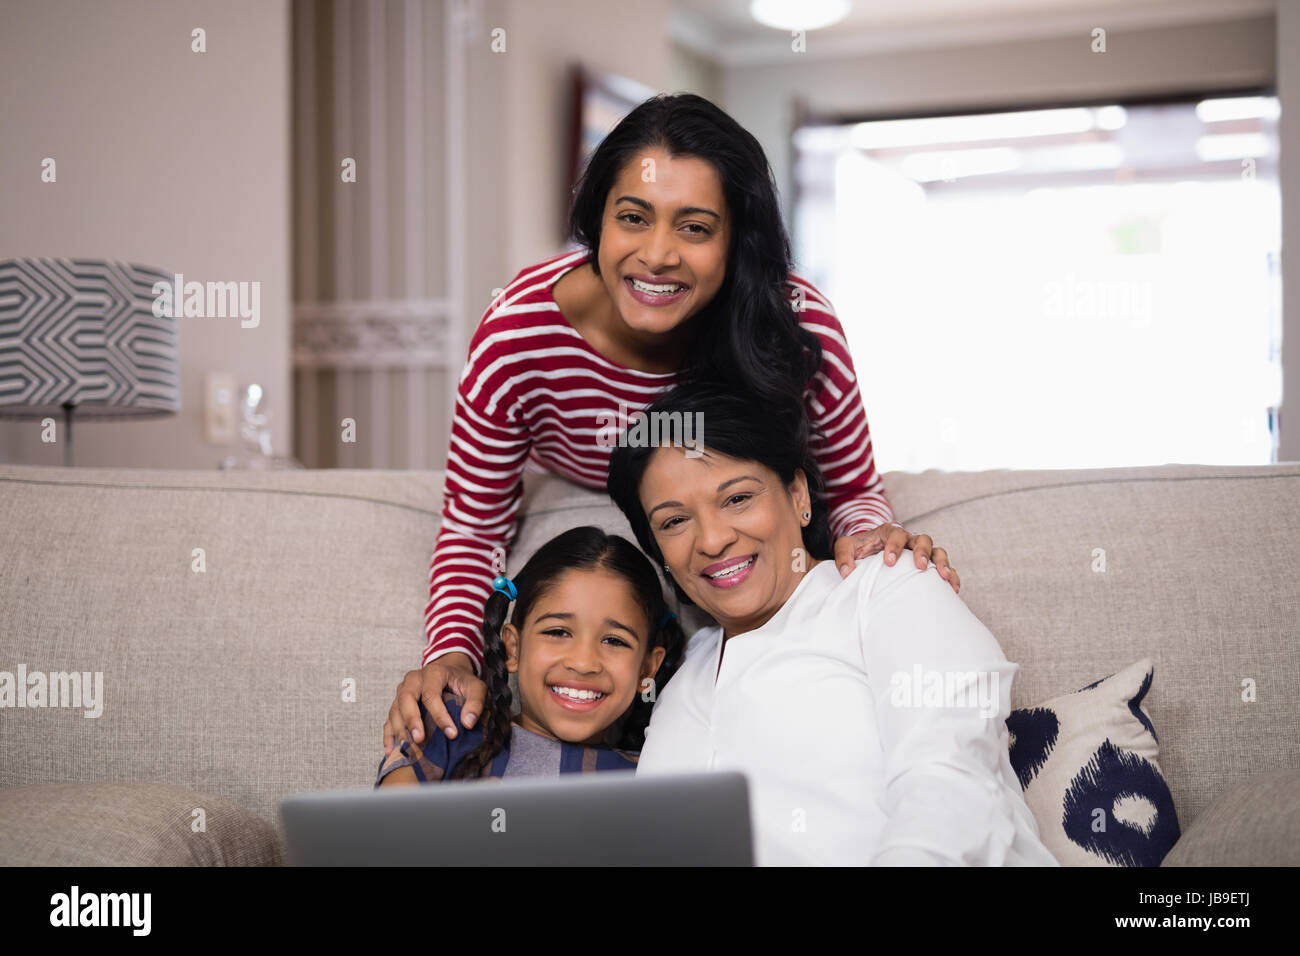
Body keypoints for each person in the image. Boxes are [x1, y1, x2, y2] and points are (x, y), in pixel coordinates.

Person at [384, 92, 961, 755]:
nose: (657, 255)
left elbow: (854, 490)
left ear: (735, 239)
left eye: (695, 227)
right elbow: (473, 526)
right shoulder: (516, 336)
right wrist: (452, 653)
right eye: (633, 218)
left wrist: (868, 543)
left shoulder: (798, 325)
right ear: (596, 220)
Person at [605, 382, 1059, 866]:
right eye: (674, 522)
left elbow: (951, 786)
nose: (713, 540)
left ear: (797, 493)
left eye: (737, 498)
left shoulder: (886, 587)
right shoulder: (681, 676)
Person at [377, 526, 684, 784]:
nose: (583, 663)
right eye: (558, 632)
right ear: (513, 648)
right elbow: (387, 834)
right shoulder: (449, 723)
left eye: (614, 640)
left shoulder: (649, 776)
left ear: (647, 670)